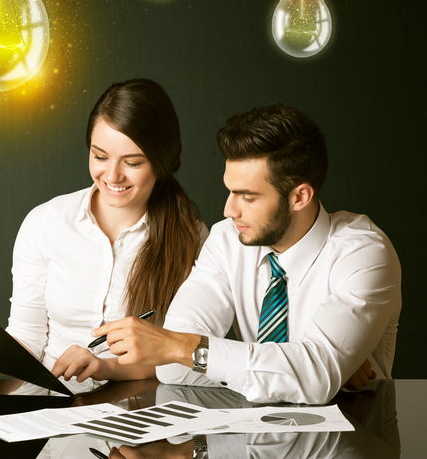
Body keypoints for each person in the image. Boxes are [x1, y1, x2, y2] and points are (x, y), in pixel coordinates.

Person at [0, 79, 206, 449]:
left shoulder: (194, 239)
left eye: (132, 162)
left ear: (163, 162)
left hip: (141, 425)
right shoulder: (45, 222)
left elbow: (184, 356)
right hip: (42, 419)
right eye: (100, 156)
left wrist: (105, 367)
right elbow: (28, 338)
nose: (112, 176)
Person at [92, 104, 401, 406]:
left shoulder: (364, 254)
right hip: (250, 444)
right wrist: (302, 367)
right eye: (230, 191)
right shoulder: (228, 241)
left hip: (353, 437)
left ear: (299, 196)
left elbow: (314, 377)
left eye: (248, 196)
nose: (229, 210)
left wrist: (311, 370)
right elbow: (173, 368)